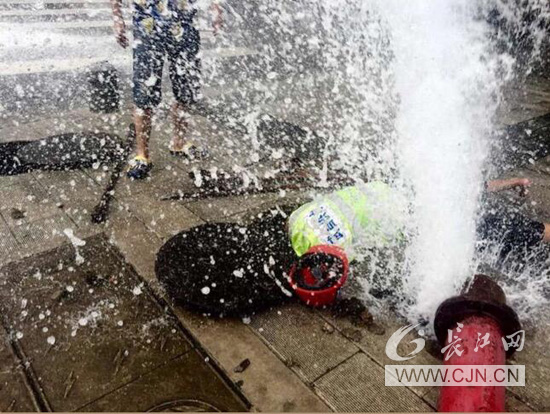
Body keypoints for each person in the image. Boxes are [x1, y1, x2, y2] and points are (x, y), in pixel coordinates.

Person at [110, 0, 223, 179]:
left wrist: (216, 8)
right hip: (147, 25)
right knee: (144, 93)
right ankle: (142, 155)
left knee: (186, 89)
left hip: (184, 25)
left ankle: (179, 143)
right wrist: (118, 18)